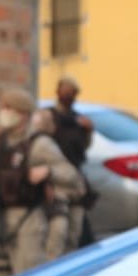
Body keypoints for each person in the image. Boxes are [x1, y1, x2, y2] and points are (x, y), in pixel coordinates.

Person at [0, 88, 80, 276]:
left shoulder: (40, 144)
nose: (3, 112)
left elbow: (72, 176)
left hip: (28, 221)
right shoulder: (0, 141)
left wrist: (48, 171)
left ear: (23, 113)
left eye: (8, 108)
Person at [47, 76, 97, 248]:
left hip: (74, 179)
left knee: (75, 232)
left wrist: (89, 131)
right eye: (65, 90)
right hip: (55, 179)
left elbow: (84, 146)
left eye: (71, 92)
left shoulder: (79, 120)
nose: (68, 95)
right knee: (57, 232)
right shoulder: (49, 117)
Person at [31, 107, 87, 259]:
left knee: (62, 248)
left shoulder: (46, 144)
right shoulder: (40, 143)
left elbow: (71, 175)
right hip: (54, 203)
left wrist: (49, 173)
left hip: (65, 201)